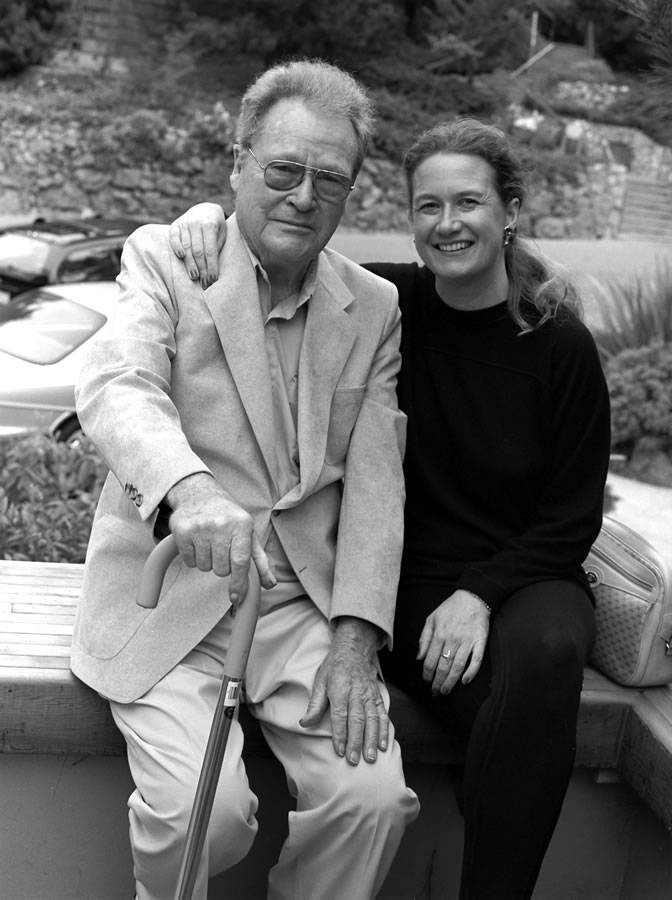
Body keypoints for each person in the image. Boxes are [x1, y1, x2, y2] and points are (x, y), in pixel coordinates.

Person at [169, 116, 612, 899]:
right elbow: (280, 248)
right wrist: (206, 217)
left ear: (510, 211)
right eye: (427, 206)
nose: (448, 224)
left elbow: (573, 516)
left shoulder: (559, 345)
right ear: (410, 217)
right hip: (410, 580)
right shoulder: (387, 304)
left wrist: (480, 595)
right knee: (502, 713)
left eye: (468, 202)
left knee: (547, 654)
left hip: (527, 572)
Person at [72, 59, 419, 900]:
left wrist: (356, 636)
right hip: (172, 598)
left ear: (350, 192)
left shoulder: (374, 306)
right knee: (207, 816)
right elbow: (117, 383)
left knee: (373, 803)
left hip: (301, 608)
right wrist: (189, 490)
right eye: (283, 170)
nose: (303, 196)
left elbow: (377, 486)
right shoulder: (166, 257)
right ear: (238, 164)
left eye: (329, 179)